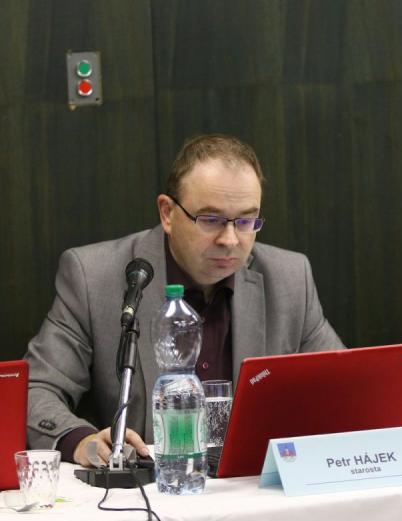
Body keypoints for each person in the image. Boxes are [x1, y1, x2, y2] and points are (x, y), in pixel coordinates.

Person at [25, 134, 344, 466]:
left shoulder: (289, 278)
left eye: (246, 221)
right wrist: (82, 441)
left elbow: (342, 387)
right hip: (149, 485)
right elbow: (36, 390)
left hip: (255, 482)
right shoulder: (94, 277)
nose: (230, 240)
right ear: (167, 213)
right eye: (211, 220)